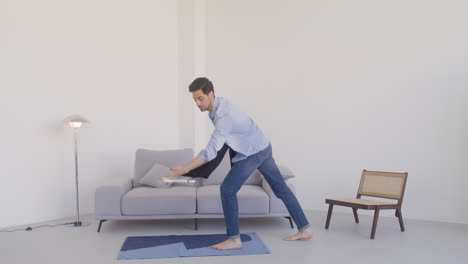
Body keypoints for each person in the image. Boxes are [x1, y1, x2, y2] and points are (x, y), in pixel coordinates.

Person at [168, 77, 312, 250]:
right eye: (195, 99)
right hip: (262, 146)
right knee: (281, 189)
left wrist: (184, 168)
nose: (198, 103)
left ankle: (234, 239)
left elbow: (211, 150)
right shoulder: (219, 105)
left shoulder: (223, 117)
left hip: (252, 153)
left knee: (227, 189)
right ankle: (305, 228)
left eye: (201, 98)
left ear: (211, 94)